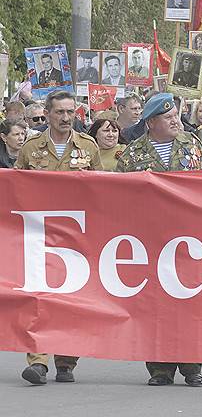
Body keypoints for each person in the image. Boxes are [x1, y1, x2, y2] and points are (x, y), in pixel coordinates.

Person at [115, 93, 202, 386]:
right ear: (151, 122)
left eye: (176, 115)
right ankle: (160, 368)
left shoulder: (192, 145)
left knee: (190, 300)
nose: (175, 120)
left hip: (189, 238)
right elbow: (120, 196)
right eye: (167, 117)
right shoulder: (132, 154)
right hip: (151, 239)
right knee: (155, 304)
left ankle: (192, 365)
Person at [15, 90, 102, 385]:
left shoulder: (88, 147)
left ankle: (66, 360)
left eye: (70, 112)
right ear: (48, 115)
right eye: (60, 113)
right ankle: (38, 361)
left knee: (71, 300)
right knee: (37, 299)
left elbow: (104, 191)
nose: (66, 118)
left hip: (77, 239)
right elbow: (14, 186)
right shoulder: (31, 148)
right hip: (38, 236)